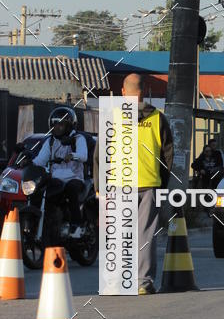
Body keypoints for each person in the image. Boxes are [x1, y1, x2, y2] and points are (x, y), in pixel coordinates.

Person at [93, 74, 173, 294]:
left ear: (123, 92)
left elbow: (101, 154)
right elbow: (168, 155)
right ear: (144, 91)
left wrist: (100, 186)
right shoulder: (158, 118)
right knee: (145, 235)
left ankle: (113, 283)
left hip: (119, 185)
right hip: (149, 185)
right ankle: (142, 283)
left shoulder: (112, 117)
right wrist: (161, 184)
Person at [34, 106, 88, 237]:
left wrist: (73, 155)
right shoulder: (50, 141)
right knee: (44, 192)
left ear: (69, 125)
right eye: (55, 124)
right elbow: (40, 160)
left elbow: (84, 155)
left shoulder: (78, 138)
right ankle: (51, 222)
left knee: (71, 189)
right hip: (56, 178)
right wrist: (29, 163)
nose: (57, 127)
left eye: (61, 124)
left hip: (75, 177)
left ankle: (76, 225)